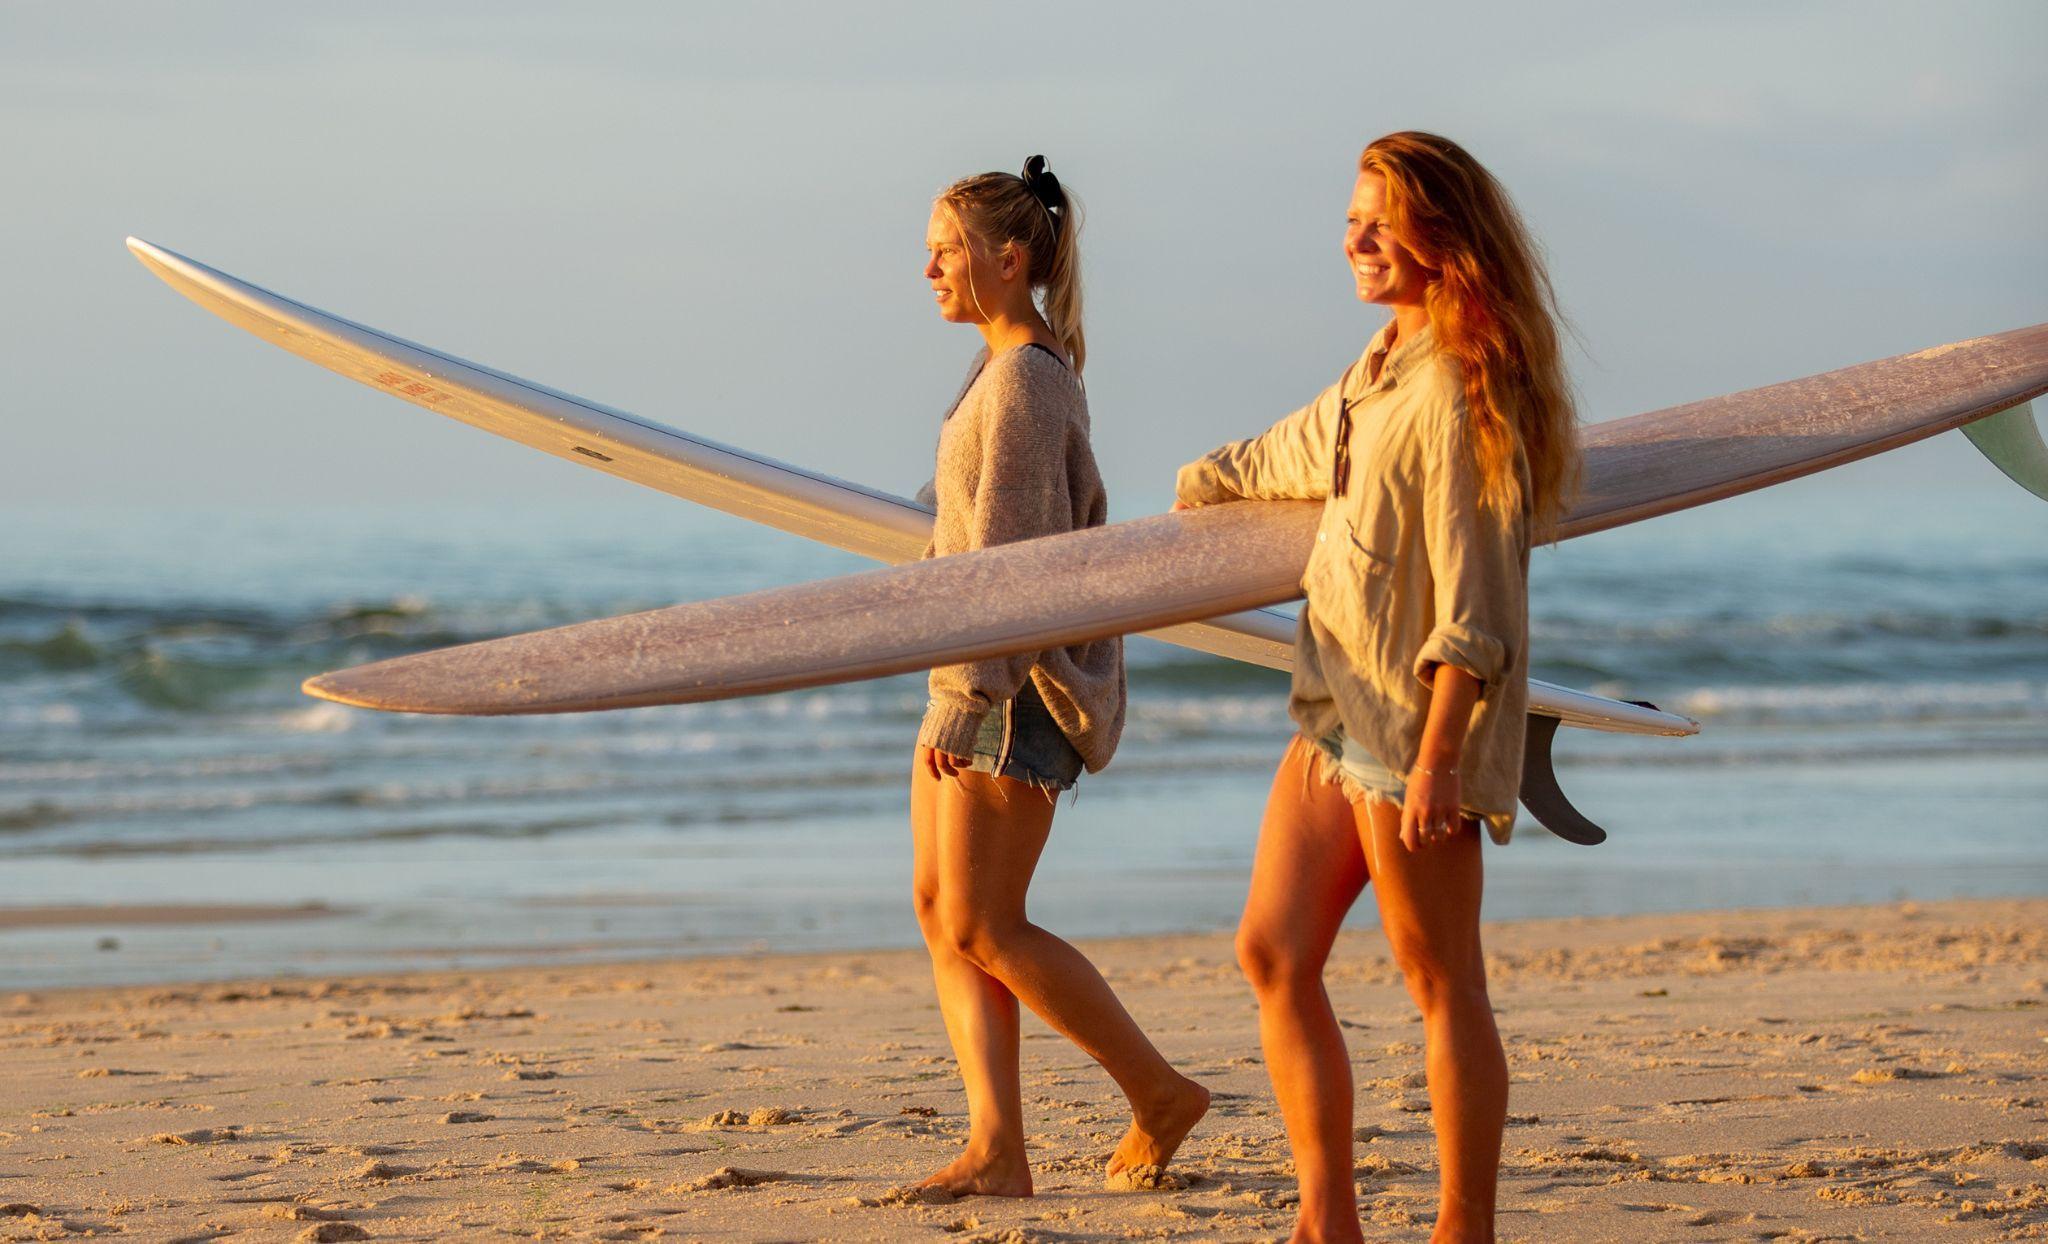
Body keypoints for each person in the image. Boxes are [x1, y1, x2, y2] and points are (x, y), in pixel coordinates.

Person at [1173, 132, 1580, 1243]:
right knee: (1271, 948)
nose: (1351, 237)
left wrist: (1442, 756)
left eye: (1377, 220)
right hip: (1333, 710)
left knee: (1440, 979)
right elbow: (1291, 452)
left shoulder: (1459, 388)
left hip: (1413, 733)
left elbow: (1479, 600)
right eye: (1350, 216)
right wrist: (1197, 490)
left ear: (1441, 237)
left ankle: (1464, 1225)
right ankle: (1327, 1218)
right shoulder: (1383, 361)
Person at [909, 156, 1209, 1197]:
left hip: (1008, 685)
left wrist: (967, 689)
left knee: (988, 922)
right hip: (972, 670)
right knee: (940, 911)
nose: (927, 267)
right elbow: (977, 518)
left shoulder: (1027, 378)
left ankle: (1159, 1090)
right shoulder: (1003, 372)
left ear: (1008, 257)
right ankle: (996, 1144)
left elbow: (1015, 551)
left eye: (944, 248)